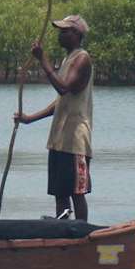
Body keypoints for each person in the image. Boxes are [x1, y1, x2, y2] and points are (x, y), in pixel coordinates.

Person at [14, 15, 93, 221]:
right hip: (59, 139)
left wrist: (43, 60)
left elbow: (63, 87)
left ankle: (81, 236)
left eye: (65, 31)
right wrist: (29, 118)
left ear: (76, 35)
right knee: (60, 192)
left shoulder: (82, 59)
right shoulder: (68, 59)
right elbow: (60, 103)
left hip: (75, 140)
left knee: (77, 192)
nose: (60, 34)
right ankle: (62, 233)